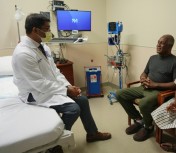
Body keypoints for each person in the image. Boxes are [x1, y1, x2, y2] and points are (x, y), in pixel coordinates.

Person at [12, 13, 111, 151]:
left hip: (50, 88)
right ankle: (55, 143)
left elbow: (55, 72)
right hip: (35, 93)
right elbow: (38, 84)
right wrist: (65, 91)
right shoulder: (24, 54)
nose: (49, 32)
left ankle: (92, 133)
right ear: (35, 30)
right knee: (73, 109)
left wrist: (68, 86)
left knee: (82, 100)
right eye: (46, 29)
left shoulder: (44, 47)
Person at [116, 34, 176, 142]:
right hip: (144, 87)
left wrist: (155, 85)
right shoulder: (153, 58)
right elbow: (145, 72)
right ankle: (139, 120)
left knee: (144, 103)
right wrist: (143, 78)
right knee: (119, 93)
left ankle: (148, 127)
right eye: (158, 42)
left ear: (170, 46)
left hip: (159, 92)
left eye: (162, 43)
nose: (158, 45)